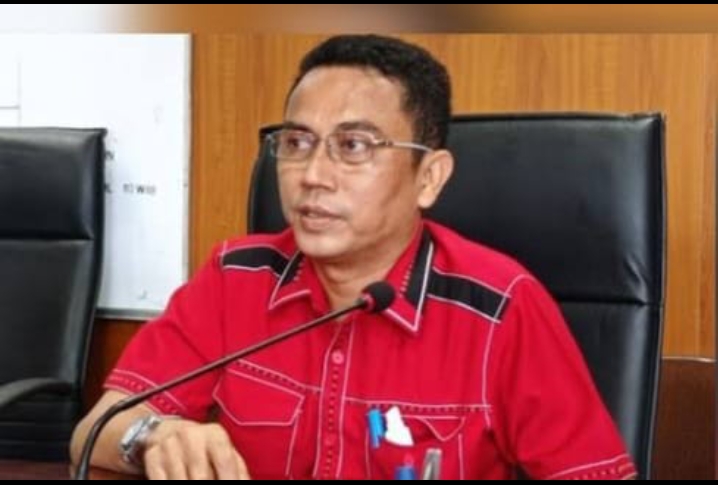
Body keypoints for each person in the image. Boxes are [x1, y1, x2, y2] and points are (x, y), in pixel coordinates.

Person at [70, 34, 636, 480]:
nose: (313, 175)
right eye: (297, 143)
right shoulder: (234, 279)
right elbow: (93, 434)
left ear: (429, 178)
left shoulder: (501, 310)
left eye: (354, 146)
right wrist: (152, 436)